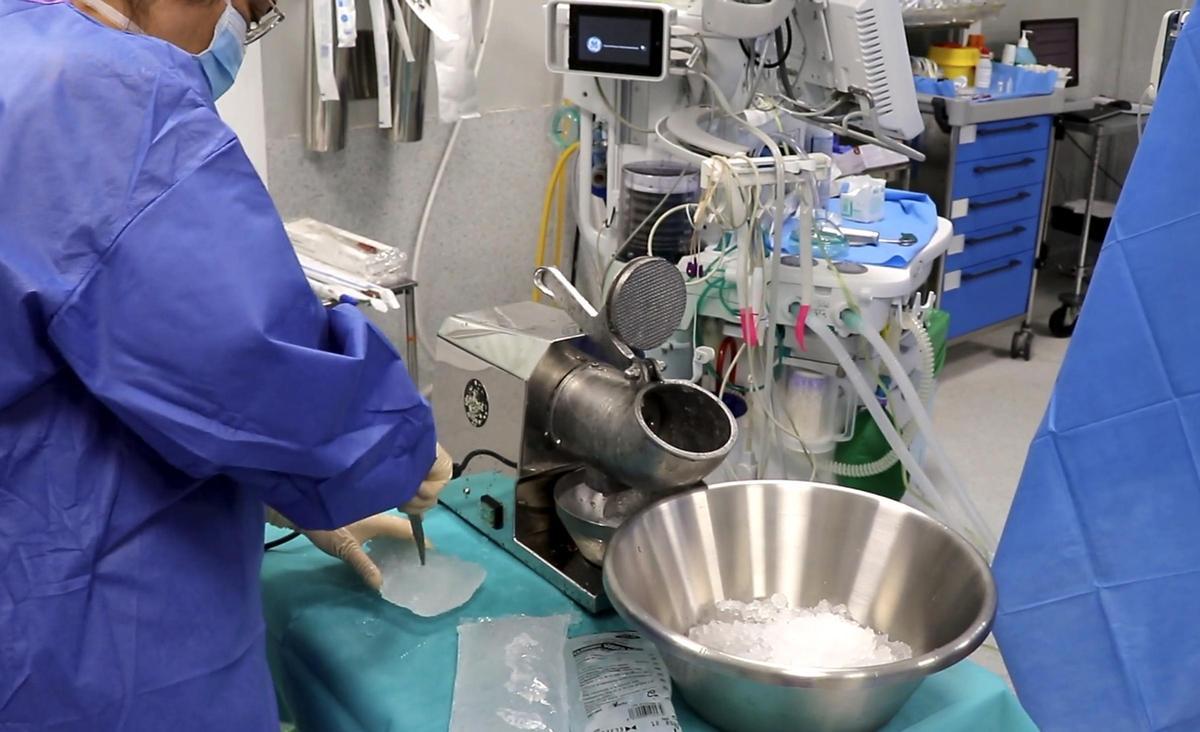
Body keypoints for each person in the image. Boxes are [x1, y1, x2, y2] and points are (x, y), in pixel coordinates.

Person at [0, 0, 450, 729]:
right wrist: (389, 446)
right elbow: (254, 366)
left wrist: (266, 484)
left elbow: (90, 361)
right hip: (92, 653)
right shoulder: (97, 90)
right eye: (252, 12)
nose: (234, 39)